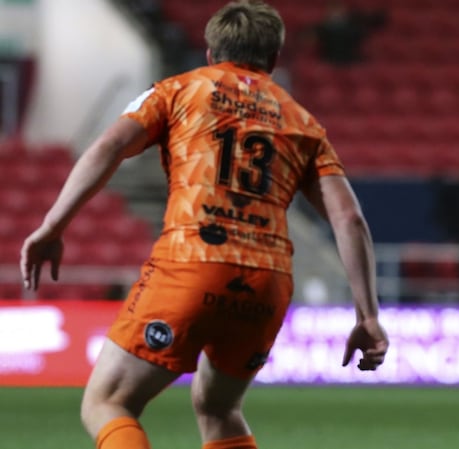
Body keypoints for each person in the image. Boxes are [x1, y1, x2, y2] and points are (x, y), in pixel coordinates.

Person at [19, 2, 389, 449]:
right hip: (266, 281)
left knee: (107, 401)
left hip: (192, 263)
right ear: (273, 59)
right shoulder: (305, 124)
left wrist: (53, 225)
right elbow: (349, 218)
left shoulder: (179, 90)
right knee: (219, 409)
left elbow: (109, 146)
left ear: (211, 52)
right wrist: (368, 315)